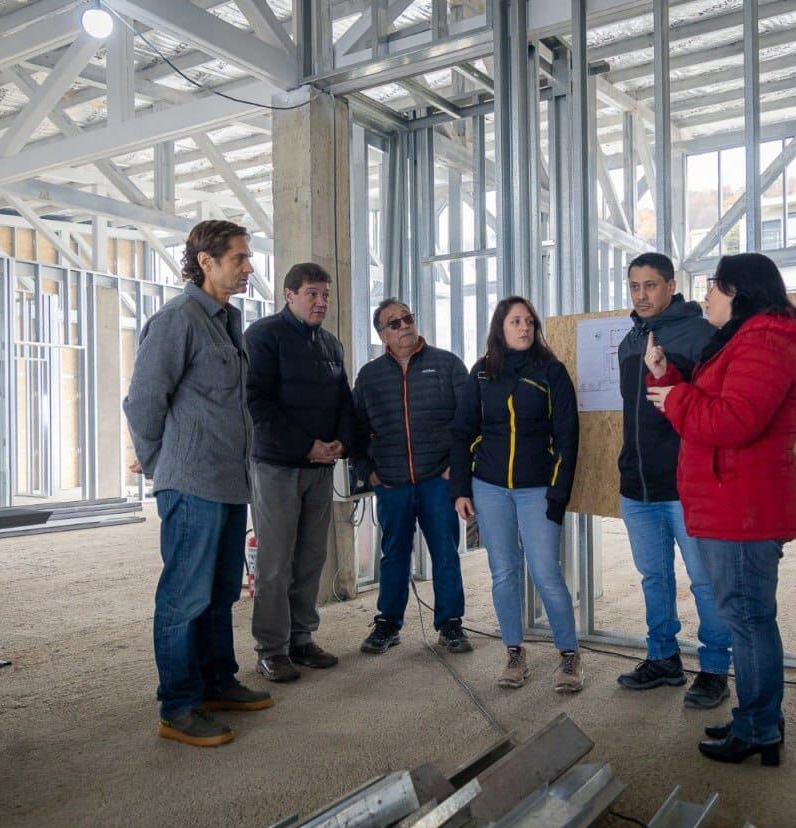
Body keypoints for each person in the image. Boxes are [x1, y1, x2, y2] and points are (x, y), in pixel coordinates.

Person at [645, 252, 796, 767]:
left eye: (714, 287)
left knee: (747, 619)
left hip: (745, 509)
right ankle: (760, 718)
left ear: (739, 292)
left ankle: (760, 727)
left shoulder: (764, 343)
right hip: (735, 503)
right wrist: (670, 374)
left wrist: (674, 397)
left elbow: (734, 421)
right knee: (747, 617)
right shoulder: (748, 342)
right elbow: (716, 398)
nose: (706, 297)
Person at [123, 220, 273, 748]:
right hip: (193, 483)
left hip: (231, 481)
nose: (248, 266)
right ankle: (179, 705)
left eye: (247, 257)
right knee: (184, 596)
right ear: (206, 262)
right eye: (239, 257)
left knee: (220, 592)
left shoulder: (226, 320)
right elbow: (143, 401)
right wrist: (160, 462)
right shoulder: (177, 320)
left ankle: (216, 682)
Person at [616, 252, 733, 710]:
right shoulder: (630, 340)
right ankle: (663, 657)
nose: (641, 295)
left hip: (686, 486)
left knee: (705, 581)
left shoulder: (701, 334)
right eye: (633, 286)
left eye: (649, 285)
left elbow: (713, 410)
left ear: (670, 286)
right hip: (638, 486)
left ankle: (714, 668)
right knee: (654, 578)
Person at [450, 296, 582, 692]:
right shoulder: (481, 374)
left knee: (545, 572)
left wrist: (558, 493)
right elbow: (461, 432)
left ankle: (569, 654)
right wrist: (460, 487)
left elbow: (567, 437)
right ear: (500, 329)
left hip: (537, 489)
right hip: (489, 488)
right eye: (515, 321)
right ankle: (514, 651)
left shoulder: (551, 372)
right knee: (503, 573)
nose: (524, 328)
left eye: (529, 321)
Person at [245, 262, 353, 683]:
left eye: (325, 294)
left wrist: (340, 443)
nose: (321, 302)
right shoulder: (263, 337)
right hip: (276, 466)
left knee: (311, 556)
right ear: (288, 295)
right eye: (312, 293)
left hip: (320, 468)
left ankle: (301, 638)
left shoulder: (330, 345)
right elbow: (257, 404)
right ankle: (270, 649)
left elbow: (345, 401)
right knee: (275, 561)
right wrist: (305, 445)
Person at [352, 299, 472, 654]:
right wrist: (368, 473)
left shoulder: (447, 365)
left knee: (445, 553)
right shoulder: (369, 376)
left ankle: (451, 624)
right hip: (392, 483)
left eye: (408, 318)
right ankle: (388, 622)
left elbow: (469, 420)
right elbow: (355, 429)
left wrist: (457, 469)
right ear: (382, 335)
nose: (404, 325)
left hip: (439, 479)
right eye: (394, 323)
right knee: (394, 554)